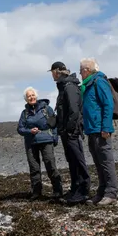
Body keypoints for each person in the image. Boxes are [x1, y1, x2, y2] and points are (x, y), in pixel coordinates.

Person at [79, 58, 118, 206]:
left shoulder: (99, 82)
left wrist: (106, 128)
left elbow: (108, 104)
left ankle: (111, 193)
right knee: (98, 162)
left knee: (106, 162)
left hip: (100, 129)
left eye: (81, 71)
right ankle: (102, 192)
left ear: (87, 70)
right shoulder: (88, 84)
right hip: (91, 129)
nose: (80, 74)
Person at [49, 61, 91, 205]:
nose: (52, 75)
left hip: (71, 131)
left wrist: (69, 129)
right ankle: (75, 188)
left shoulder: (69, 86)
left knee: (78, 160)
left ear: (57, 72)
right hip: (66, 131)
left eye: (52, 72)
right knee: (72, 160)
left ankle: (83, 190)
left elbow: (74, 110)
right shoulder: (64, 86)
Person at [16, 87, 64, 200]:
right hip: (31, 142)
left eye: (33, 95)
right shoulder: (24, 113)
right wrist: (30, 131)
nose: (31, 97)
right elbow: (20, 129)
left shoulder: (46, 109)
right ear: (26, 99)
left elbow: (54, 124)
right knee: (34, 168)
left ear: (36, 96)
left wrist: (54, 139)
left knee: (50, 165)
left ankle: (58, 190)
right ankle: (36, 192)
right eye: (28, 96)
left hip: (46, 140)